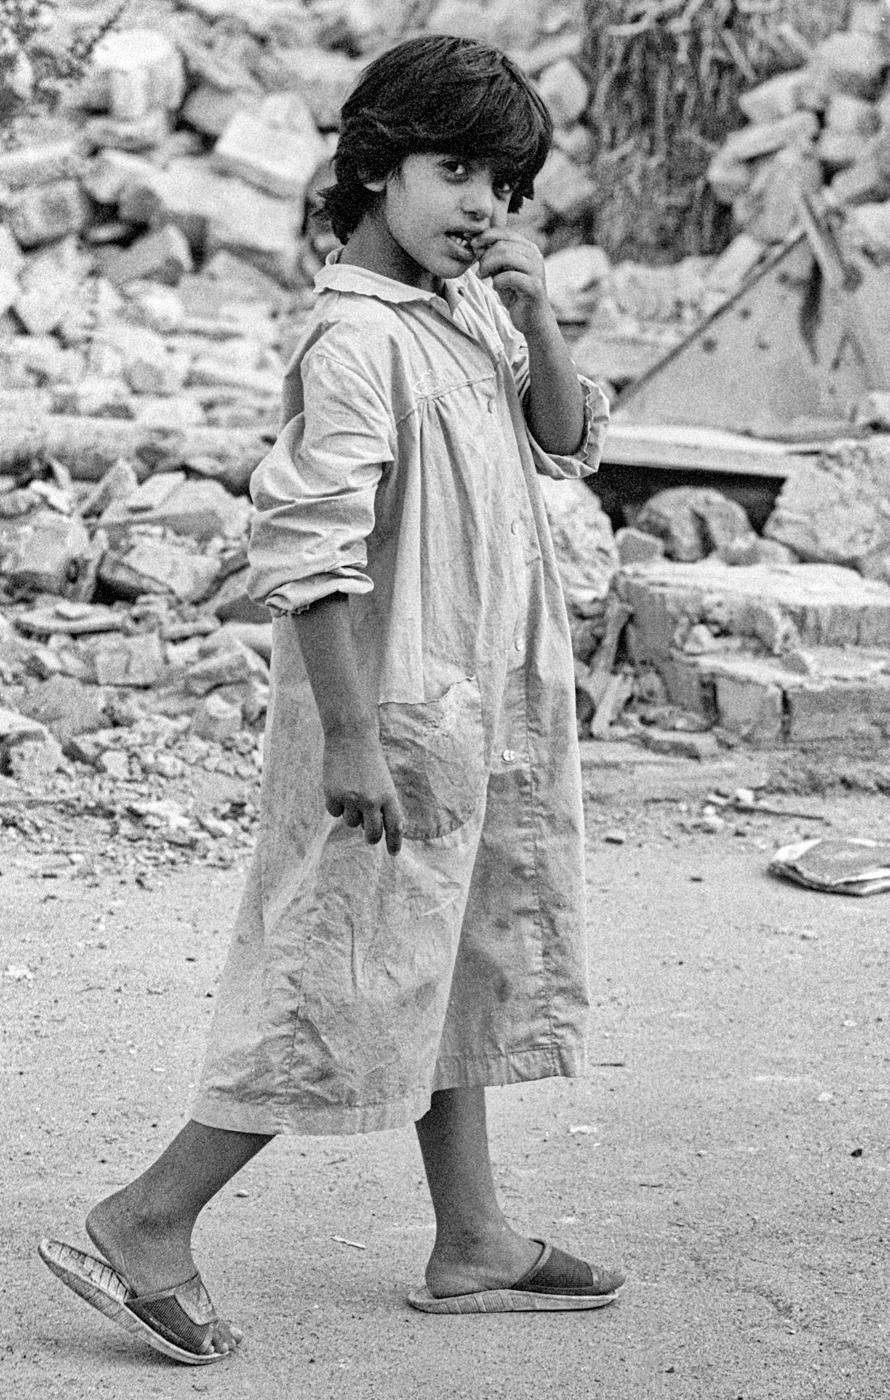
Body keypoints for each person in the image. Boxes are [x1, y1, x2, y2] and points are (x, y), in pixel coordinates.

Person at [39, 34, 624, 1363]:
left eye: (504, 185)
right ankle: (147, 1215)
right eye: (455, 169)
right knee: (343, 969)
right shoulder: (355, 339)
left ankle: (471, 1238)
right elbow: (307, 551)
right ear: (373, 166)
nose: (482, 205)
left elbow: (563, 438)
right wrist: (353, 737)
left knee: (463, 954)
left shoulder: (464, 304)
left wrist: (535, 318)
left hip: (487, 700)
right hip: (394, 706)